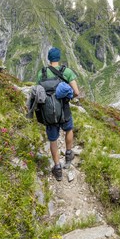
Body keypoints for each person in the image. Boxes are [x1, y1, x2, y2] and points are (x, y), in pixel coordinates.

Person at [37, 47, 80, 181]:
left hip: (48, 112)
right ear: (58, 58)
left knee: (53, 140)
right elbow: (76, 92)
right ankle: (68, 153)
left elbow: (38, 92)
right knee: (68, 129)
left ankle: (57, 168)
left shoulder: (41, 73)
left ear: (49, 58)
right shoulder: (66, 72)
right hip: (64, 110)